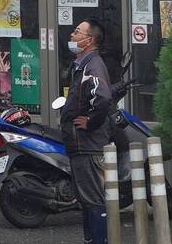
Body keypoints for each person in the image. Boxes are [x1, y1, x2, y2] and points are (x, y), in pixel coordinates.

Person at [60, 18, 112, 244]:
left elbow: (102, 97)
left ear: (89, 40)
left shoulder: (93, 65)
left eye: (77, 32)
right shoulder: (82, 64)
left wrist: (89, 122)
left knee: (93, 198)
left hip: (87, 144)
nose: (72, 35)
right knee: (87, 199)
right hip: (79, 143)